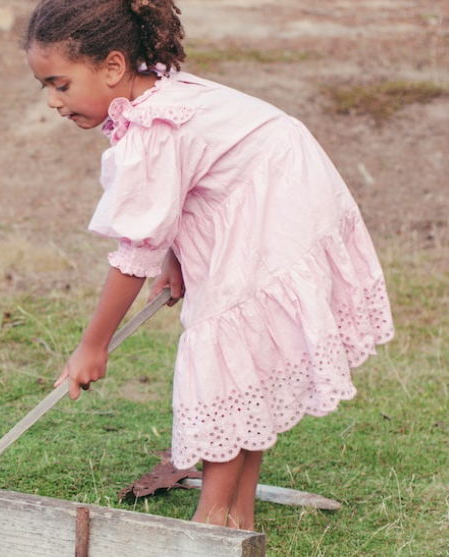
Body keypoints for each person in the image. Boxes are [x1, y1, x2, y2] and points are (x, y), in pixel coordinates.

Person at [23, 0, 394, 531]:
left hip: (276, 197)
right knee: (243, 354)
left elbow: (134, 253)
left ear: (112, 66)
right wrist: (177, 257)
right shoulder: (154, 98)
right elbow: (178, 193)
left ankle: (213, 519)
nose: (53, 101)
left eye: (60, 84)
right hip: (280, 179)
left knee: (224, 345)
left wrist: (93, 345)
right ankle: (236, 517)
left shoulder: (152, 126)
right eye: (46, 87)